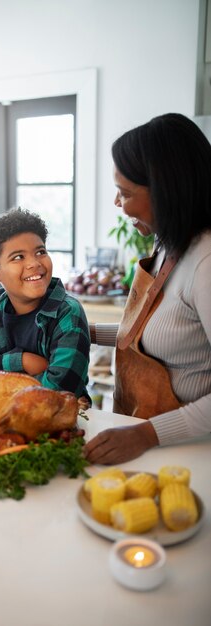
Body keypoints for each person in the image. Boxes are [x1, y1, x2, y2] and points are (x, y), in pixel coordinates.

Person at [84, 113, 211, 464]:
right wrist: (87, 332)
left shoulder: (206, 263)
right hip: (146, 432)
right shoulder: (167, 245)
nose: (117, 204)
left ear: (166, 191)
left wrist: (148, 434)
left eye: (124, 193)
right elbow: (145, 334)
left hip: (191, 450)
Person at [0, 207, 90, 397]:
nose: (34, 263)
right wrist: (20, 361)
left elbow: (57, 390)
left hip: (59, 422)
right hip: (1, 417)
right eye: (18, 257)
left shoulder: (68, 313)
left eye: (40, 252)